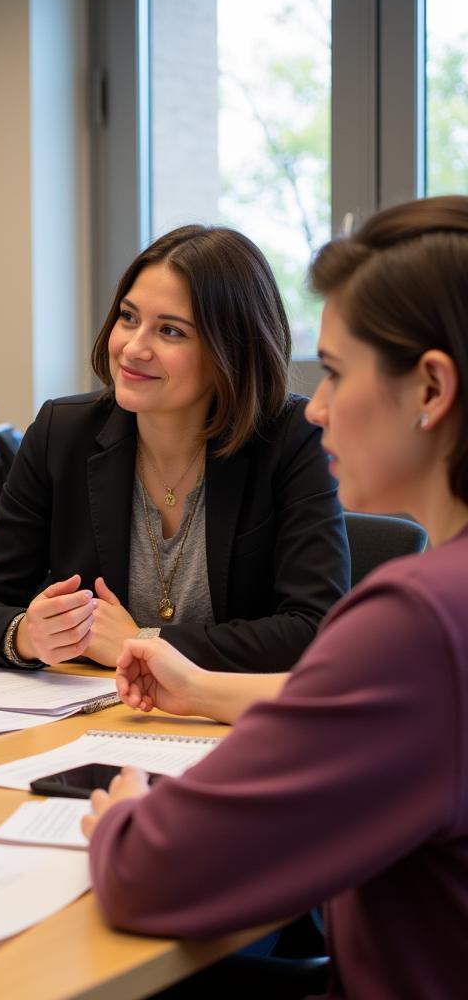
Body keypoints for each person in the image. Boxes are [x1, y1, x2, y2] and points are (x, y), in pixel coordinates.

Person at [85, 196, 468, 999]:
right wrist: (206, 688)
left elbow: (147, 873)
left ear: (431, 389)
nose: (318, 408)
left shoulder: (420, 618)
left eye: (333, 372)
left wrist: (121, 816)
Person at [0, 225, 349, 673]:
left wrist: (142, 642)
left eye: (171, 331)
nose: (133, 348)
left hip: (225, 722)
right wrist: (27, 633)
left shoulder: (294, 439)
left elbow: (314, 630)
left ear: (231, 352)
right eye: (129, 317)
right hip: (91, 720)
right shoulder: (63, 431)